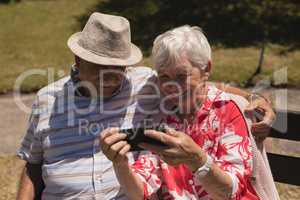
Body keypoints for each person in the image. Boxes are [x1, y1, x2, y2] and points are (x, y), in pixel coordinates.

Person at [17, 13, 274, 200]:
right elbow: (33, 165)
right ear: (78, 59)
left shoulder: (145, 85)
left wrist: (253, 98)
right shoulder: (47, 99)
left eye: (117, 67)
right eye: (98, 66)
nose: (109, 75)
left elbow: (197, 84)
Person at [101, 26, 268, 199]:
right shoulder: (161, 115)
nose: (172, 85)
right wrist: (120, 164)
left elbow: (230, 191)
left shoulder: (226, 110)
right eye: (164, 76)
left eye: (181, 75)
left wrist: (196, 159)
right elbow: (141, 191)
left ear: (206, 69)